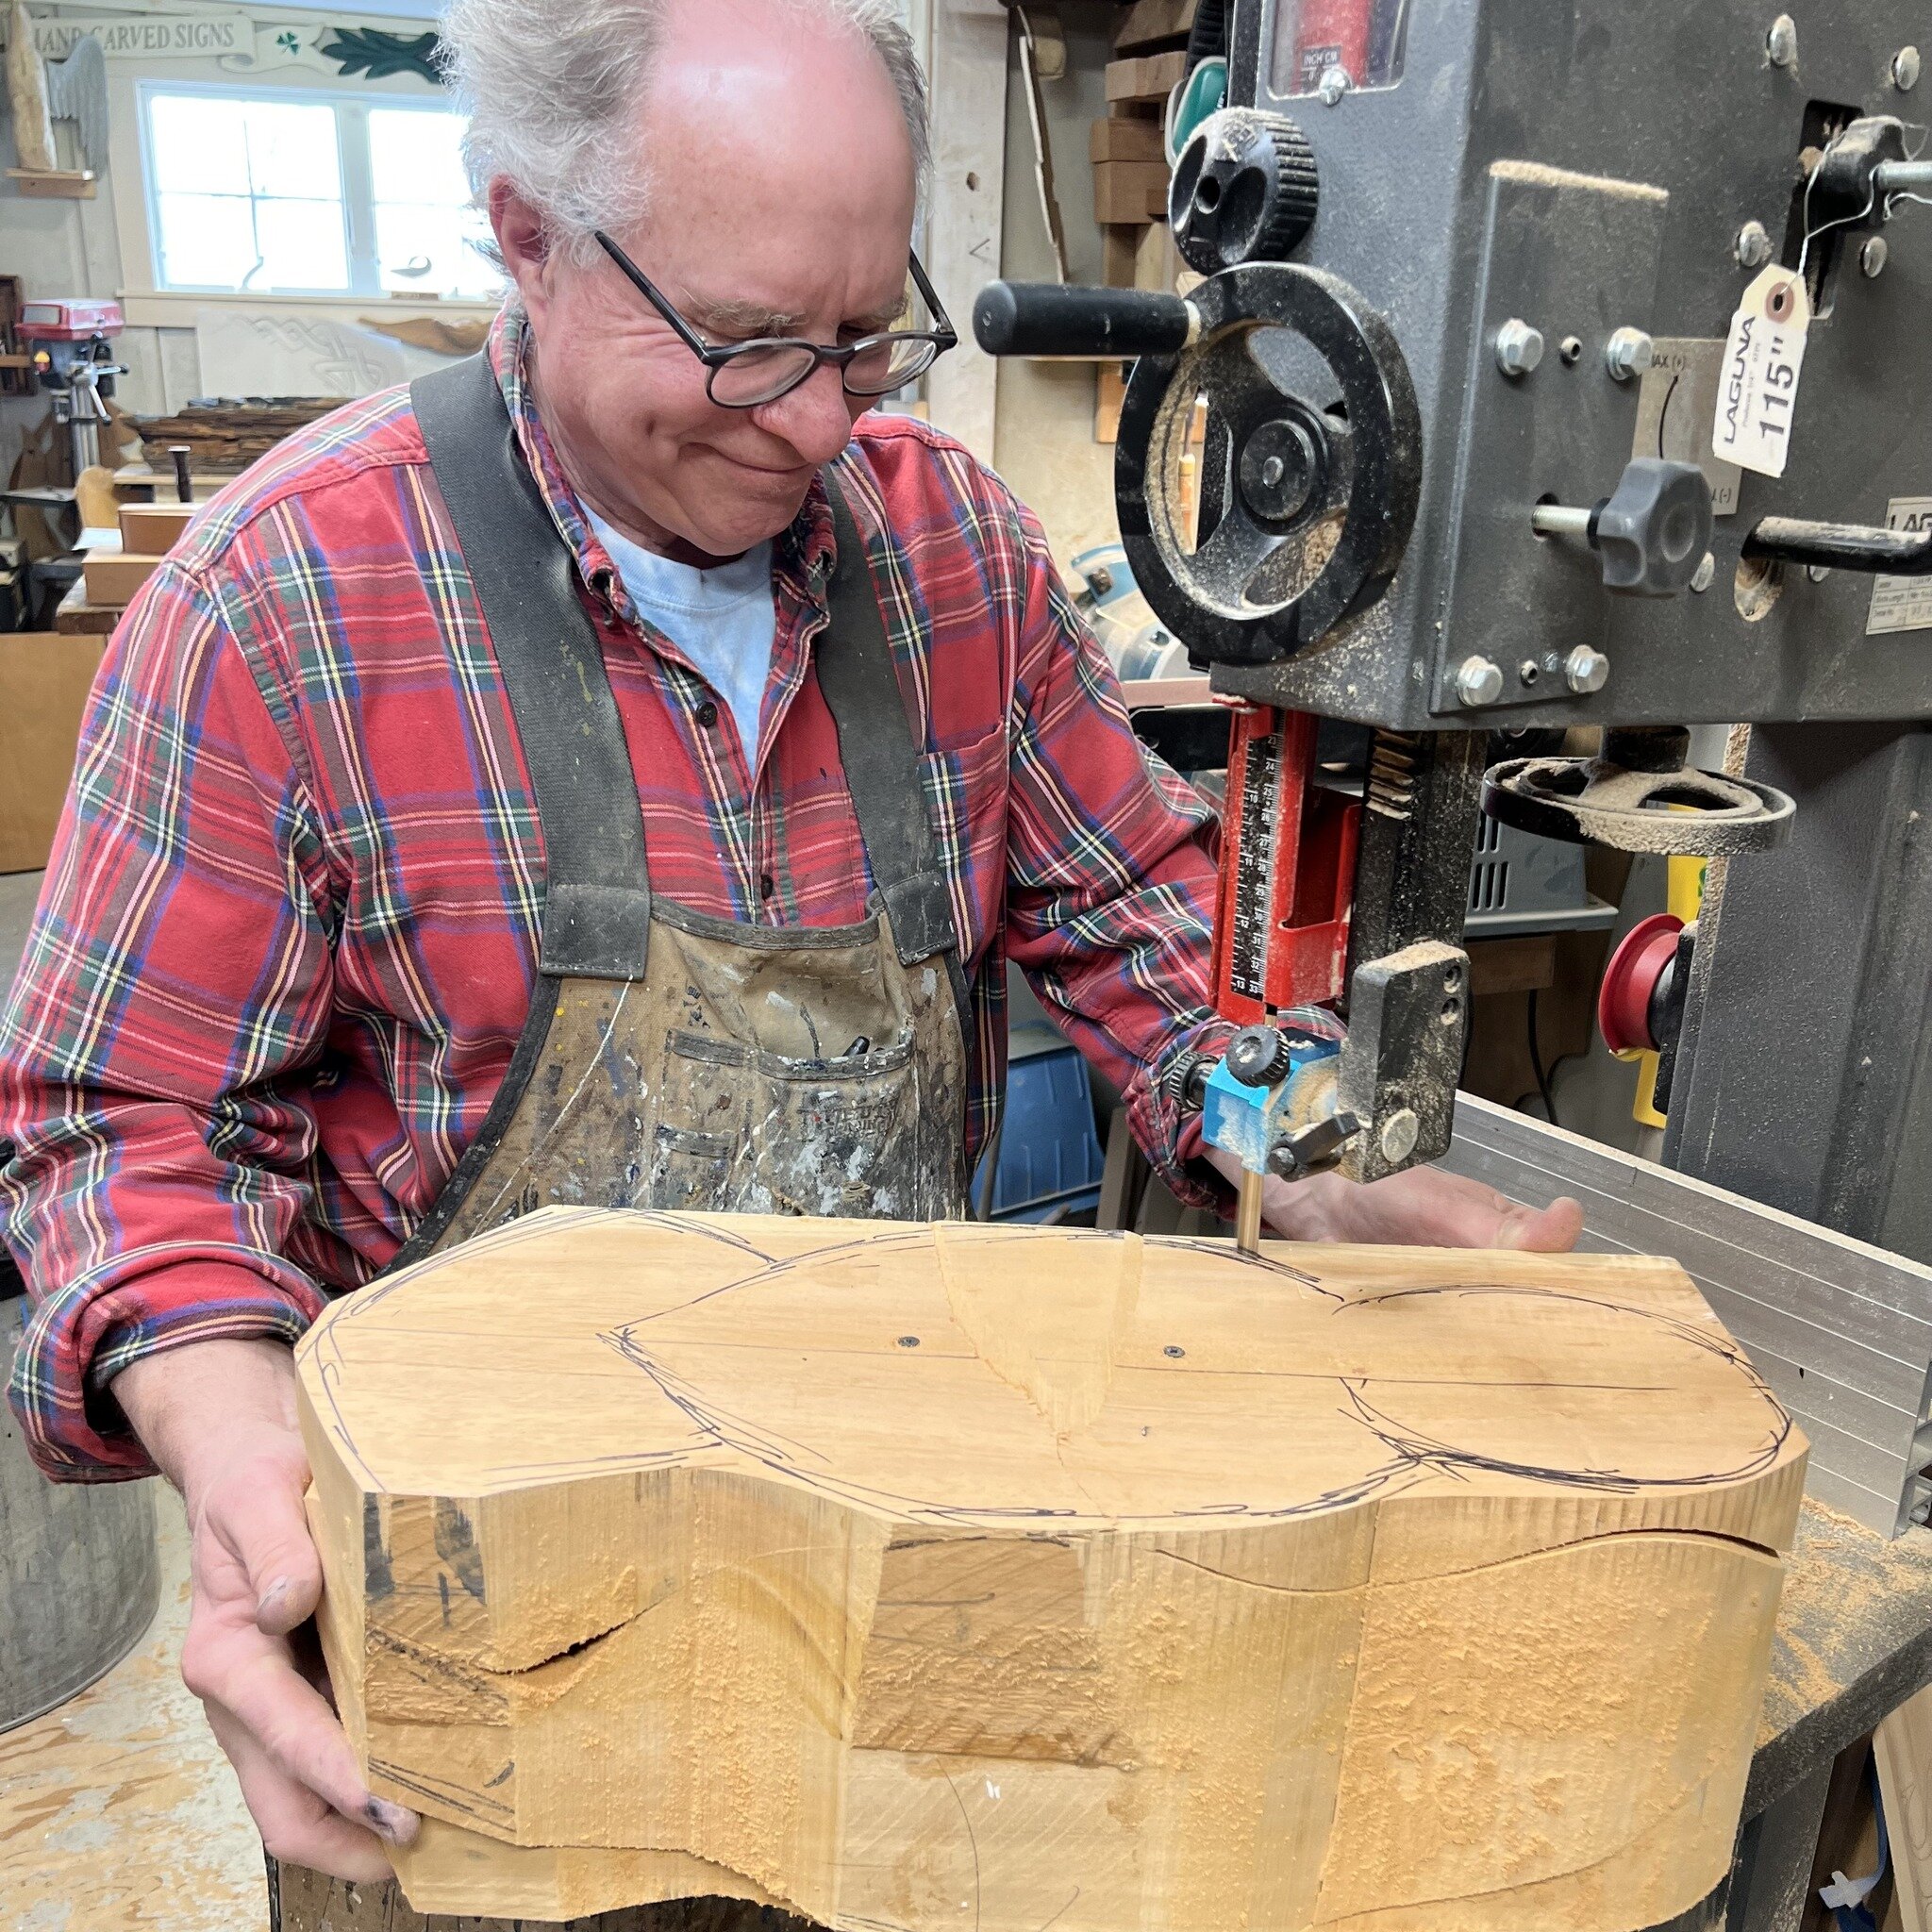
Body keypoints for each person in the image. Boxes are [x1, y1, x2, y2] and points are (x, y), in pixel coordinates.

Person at [0, 0, 1583, 1901]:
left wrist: (1296, 1142)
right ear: (525, 229)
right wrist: (237, 1449)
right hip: (471, 1686)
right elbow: (125, 1130)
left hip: (895, 1628)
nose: (826, 420)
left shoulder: (954, 563)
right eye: (749, 344)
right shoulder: (283, 603)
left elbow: (1154, 943)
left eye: (864, 340)